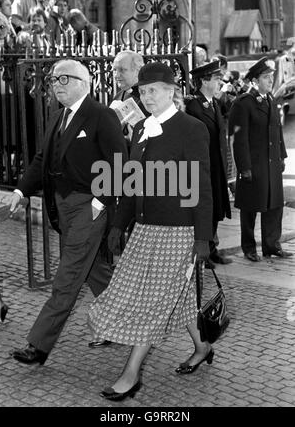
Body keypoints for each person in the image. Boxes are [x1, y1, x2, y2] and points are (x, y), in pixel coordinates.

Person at [88, 62, 214, 401]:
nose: (147, 97)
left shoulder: (191, 128)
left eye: (153, 90)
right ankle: (202, 347)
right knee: (175, 295)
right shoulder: (142, 127)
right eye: (143, 92)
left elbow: (201, 186)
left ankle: (131, 374)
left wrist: (203, 237)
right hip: (145, 230)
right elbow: (132, 183)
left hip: (178, 232)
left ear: (171, 91)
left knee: (152, 301)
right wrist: (118, 225)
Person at [8, 59, 128, 365]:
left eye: (64, 79)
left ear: (83, 83)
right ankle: (127, 317)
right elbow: (41, 158)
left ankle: (39, 345)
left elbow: (120, 164)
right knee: (92, 270)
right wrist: (21, 190)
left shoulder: (102, 116)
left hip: (89, 208)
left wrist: (99, 203)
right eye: (53, 80)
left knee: (68, 276)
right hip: (62, 208)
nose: (56, 86)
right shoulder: (58, 117)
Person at [229, 56, 292, 261]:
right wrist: (244, 167)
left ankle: (271, 245)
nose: (270, 80)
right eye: (266, 77)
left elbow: (277, 130)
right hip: (254, 164)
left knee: (274, 206)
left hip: (272, 163)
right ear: (255, 80)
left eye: (271, 77)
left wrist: (282, 155)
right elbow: (239, 138)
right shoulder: (243, 103)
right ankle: (249, 247)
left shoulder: (271, 99)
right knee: (250, 208)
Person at [185, 60, 232, 270]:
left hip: (216, 166)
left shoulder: (213, 103)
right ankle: (204, 251)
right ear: (204, 81)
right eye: (216, 78)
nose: (220, 82)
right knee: (206, 208)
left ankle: (212, 249)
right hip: (204, 167)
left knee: (215, 208)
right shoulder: (194, 105)